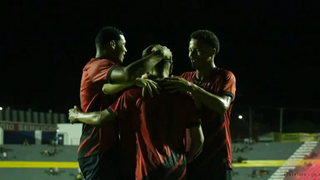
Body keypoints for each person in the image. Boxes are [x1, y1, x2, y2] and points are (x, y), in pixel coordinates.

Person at [70, 45, 204, 180]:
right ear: (171, 68)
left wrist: (77, 115)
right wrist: (184, 160)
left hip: (147, 172)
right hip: (177, 170)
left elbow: (101, 116)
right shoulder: (185, 98)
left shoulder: (134, 95)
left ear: (146, 66)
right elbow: (199, 139)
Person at [78, 27, 171, 180]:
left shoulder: (110, 77)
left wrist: (134, 81)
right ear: (113, 44)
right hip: (96, 150)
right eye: (123, 44)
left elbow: (108, 88)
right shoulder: (97, 65)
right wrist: (160, 54)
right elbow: (128, 73)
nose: (126, 50)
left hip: (109, 151)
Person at [164, 30, 236, 180]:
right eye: (190, 50)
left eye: (197, 50)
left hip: (217, 157)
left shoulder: (225, 76)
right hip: (192, 156)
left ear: (212, 51)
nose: (191, 54)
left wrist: (192, 88)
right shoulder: (185, 77)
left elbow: (222, 105)